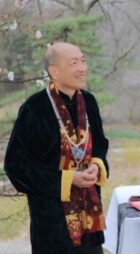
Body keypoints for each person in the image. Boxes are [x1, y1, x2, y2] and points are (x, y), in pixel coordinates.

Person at [4, 42, 109, 254]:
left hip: (90, 221)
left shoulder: (88, 101)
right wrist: (68, 179)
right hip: (52, 226)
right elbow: (15, 166)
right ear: (54, 72)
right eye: (74, 63)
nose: (82, 68)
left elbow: (99, 144)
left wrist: (97, 165)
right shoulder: (34, 109)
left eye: (83, 60)